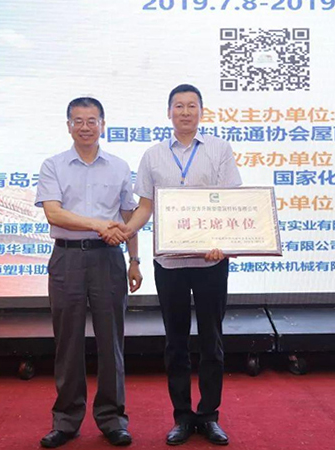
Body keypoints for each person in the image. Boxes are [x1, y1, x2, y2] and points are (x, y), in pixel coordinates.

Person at [121, 84, 242, 446]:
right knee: (175, 342)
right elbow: (145, 206)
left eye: (192, 106)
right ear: (169, 112)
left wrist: (226, 244)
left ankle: (209, 416)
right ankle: (182, 417)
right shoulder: (153, 155)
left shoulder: (219, 149)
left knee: (211, 341)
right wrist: (125, 231)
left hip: (210, 262)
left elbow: (231, 201)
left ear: (201, 112)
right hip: (169, 263)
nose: (185, 112)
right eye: (179, 106)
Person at [35, 97, 142, 448]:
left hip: (108, 259)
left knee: (112, 342)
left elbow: (128, 218)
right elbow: (54, 213)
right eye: (78, 120)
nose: (85, 127)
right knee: (67, 341)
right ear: (68, 125)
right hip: (67, 259)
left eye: (92, 120)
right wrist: (97, 225)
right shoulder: (53, 165)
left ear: (102, 124)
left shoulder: (119, 167)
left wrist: (134, 260)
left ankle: (113, 419)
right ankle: (66, 420)